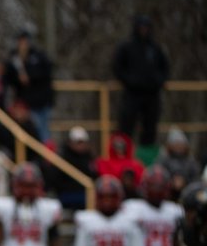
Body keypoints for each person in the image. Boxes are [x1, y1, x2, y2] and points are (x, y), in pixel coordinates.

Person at [112, 15, 169, 149]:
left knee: (150, 125)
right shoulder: (127, 47)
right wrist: (130, 81)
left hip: (152, 93)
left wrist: (158, 81)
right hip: (132, 93)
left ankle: (147, 155)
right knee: (126, 124)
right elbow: (117, 67)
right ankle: (123, 152)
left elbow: (165, 67)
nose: (144, 30)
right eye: (141, 27)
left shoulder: (155, 48)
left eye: (146, 27)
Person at [4, 28, 55, 144]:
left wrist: (30, 76)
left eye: (25, 41)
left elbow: (47, 72)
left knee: (43, 132)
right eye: (20, 41)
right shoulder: (14, 58)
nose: (23, 44)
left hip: (42, 102)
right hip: (25, 105)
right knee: (29, 133)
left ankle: (46, 158)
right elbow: (8, 78)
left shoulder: (38, 56)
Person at [49, 126, 98, 210]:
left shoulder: (89, 157)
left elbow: (94, 175)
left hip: (85, 192)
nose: (80, 145)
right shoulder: (63, 158)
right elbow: (56, 180)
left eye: (82, 142)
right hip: (67, 193)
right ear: (70, 142)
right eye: (78, 142)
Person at [159, 129, 202, 198]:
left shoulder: (191, 161)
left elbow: (197, 179)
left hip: (187, 195)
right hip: (166, 195)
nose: (179, 146)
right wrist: (171, 182)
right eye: (176, 143)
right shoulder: (163, 159)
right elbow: (158, 175)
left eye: (181, 144)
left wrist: (185, 182)